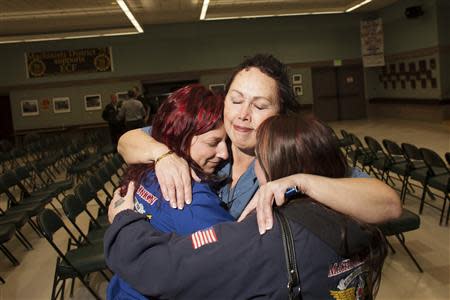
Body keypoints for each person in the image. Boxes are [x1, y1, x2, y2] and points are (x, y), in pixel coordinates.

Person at [105, 115, 388, 299]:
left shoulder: (262, 236)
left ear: (275, 167)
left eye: (259, 159)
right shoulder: (354, 214)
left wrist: (124, 219)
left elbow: (159, 269)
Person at [117, 54, 401, 230]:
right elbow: (127, 141)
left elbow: (388, 204)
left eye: (260, 106)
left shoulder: (290, 156)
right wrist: (162, 154)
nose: (243, 115)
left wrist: (300, 181)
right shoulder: (213, 136)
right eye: (236, 100)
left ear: (281, 114)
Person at [108, 84, 234, 299]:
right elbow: (242, 263)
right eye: (213, 143)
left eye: (226, 142)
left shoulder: (145, 168)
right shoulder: (188, 197)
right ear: (182, 136)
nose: (224, 153)